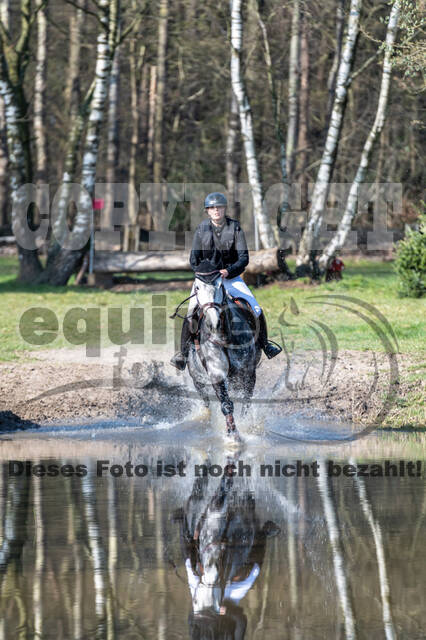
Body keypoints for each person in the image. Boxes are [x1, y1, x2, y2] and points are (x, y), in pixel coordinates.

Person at [170, 192, 282, 371]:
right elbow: (194, 260)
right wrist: (207, 274)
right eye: (212, 208)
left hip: (230, 278)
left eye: (219, 207)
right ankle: (182, 354)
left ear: (224, 209)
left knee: (256, 308)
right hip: (207, 281)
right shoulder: (201, 229)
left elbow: (244, 257)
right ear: (207, 210)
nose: (216, 210)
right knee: (191, 312)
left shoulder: (235, 228)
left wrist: (228, 271)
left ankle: (265, 344)